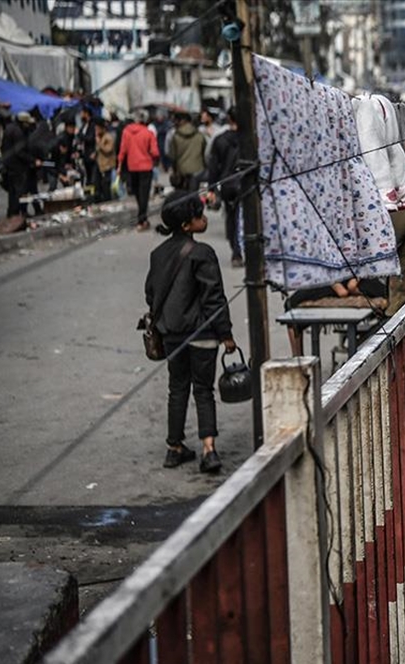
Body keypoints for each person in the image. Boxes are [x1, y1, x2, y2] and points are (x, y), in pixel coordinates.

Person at [145, 190, 236, 473]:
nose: (203, 218)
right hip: (203, 335)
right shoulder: (202, 253)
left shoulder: (158, 254)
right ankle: (209, 449)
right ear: (187, 225)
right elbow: (214, 298)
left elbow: (151, 294)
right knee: (204, 390)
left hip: (172, 335)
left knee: (178, 388)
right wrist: (226, 335)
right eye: (199, 214)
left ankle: (174, 447)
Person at [205, 107, 242, 266]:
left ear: (229, 119)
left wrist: (211, 188)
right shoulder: (250, 138)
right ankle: (243, 250)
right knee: (246, 218)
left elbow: (213, 166)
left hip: (227, 184)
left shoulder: (219, 139)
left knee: (232, 216)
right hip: (246, 183)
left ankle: (236, 252)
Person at [118, 110, 159, 230]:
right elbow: (155, 152)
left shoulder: (126, 132)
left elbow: (123, 151)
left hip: (132, 167)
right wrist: (154, 159)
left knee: (136, 192)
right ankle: (142, 218)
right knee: (144, 193)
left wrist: (120, 165)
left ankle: (141, 217)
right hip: (146, 167)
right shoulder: (148, 133)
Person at [169, 111, 207, 190]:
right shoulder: (199, 135)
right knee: (199, 195)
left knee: (184, 196)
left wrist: (175, 171)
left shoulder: (175, 136)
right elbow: (205, 153)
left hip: (182, 173)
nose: (174, 123)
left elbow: (173, 157)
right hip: (199, 170)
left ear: (182, 121)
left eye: (175, 120)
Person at [93, 119, 116, 202]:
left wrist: (99, 144)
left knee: (107, 186)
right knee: (99, 184)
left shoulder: (108, 137)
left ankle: (108, 200)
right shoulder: (100, 138)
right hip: (100, 165)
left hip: (108, 165)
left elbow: (108, 149)